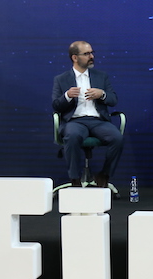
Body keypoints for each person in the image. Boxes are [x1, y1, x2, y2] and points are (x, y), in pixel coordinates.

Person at [52, 41, 124, 188]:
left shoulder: (101, 77)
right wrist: (67, 96)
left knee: (117, 138)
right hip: (75, 121)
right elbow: (56, 106)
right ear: (75, 58)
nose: (91, 56)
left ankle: (104, 175)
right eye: (86, 54)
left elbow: (113, 100)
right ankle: (75, 179)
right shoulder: (61, 79)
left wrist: (102, 94)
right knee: (72, 136)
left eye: (92, 53)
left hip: (98, 121)